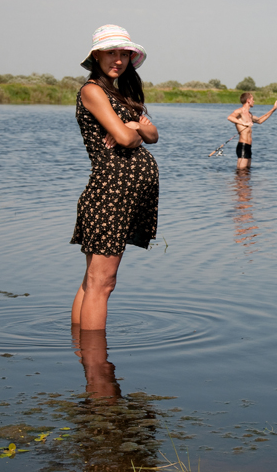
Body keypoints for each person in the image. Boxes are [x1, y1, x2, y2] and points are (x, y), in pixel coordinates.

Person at [70, 25, 159, 330]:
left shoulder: (120, 94)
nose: (118, 60)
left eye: (124, 54)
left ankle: (81, 348)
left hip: (119, 194)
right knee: (102, 283)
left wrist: (134, 126)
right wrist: (132, 129)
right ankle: (94, 358)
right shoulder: (92, 91)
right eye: (111, 53)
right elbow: (125, 139)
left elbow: (153, 135)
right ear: (96, 55)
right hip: (110, 193)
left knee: (93, 281)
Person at [226, 92, 277, 170]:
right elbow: (230, 117)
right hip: (243, 146)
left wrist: (273, 109)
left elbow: (260, 120)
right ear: (248, 100)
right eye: (252, 99)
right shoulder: (240, 111)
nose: (254, 101)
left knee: (247, 172)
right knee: (241, 172)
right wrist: (244, 123)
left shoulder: (250, 115)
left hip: (248, 146)